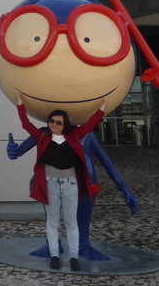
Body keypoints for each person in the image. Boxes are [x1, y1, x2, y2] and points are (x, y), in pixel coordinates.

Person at [15, 93, 106, 271]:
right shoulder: (42, 137)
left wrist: (101, 109)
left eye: (58, 122)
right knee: (52, 222)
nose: (53, 124)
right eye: (51, 121)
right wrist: (20, 105)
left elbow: (89, 126)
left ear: (64, 125)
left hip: (70, 183)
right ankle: (54, 255)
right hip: (50, 183)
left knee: (71, 222)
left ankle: (74, 257)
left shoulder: (74, 136)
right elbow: (26, 124)